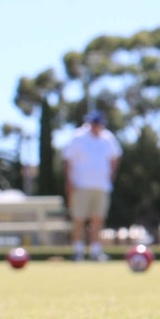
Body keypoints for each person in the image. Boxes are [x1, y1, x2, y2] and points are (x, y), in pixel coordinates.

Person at [63, 111, 122, 262]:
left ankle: (96, 252)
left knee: (98, 219)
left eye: (98, 123)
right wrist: (69, 181)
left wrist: (111, 176)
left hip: (102, 186)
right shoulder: (78, 137)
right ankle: (78, 252)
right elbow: (68, 160)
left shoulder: (108, 138)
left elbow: (115, 158)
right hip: (81, 185)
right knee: (78, 219)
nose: (95, 126)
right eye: (93, 123)